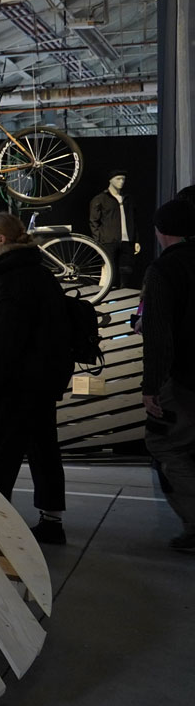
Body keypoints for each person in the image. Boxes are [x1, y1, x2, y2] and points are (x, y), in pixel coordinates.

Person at [0, 211, 74, 545]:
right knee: (44, 449)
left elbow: (4, 338)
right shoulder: (39, 273)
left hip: (18, 382)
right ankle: (51, 521)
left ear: (0, 239)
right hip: (44, 379)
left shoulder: (10, 279)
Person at [141, 195, 195, 552]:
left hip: (184, 377)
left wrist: (151, 386)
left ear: (161, 231)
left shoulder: (164, 270)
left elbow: (159, 336)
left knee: (165, 443)